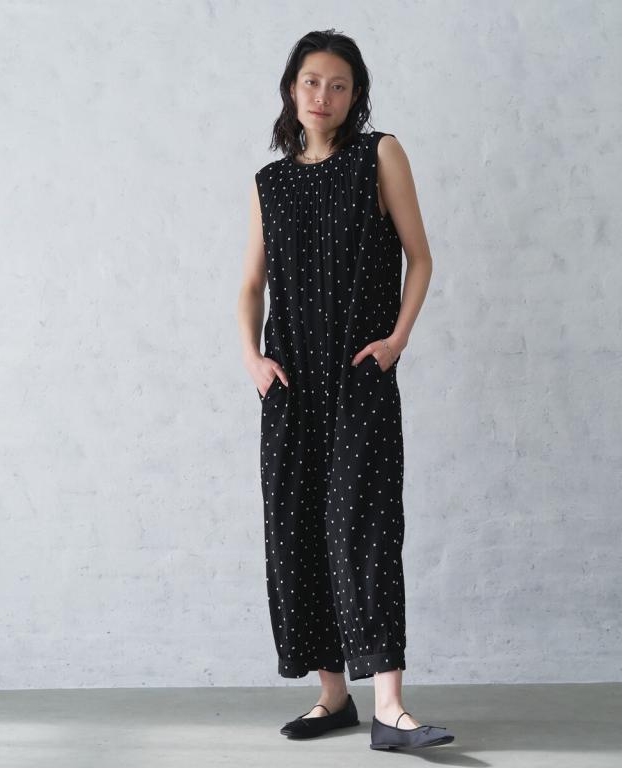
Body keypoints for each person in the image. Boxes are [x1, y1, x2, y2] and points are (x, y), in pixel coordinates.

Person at [237, 29, 455, 751]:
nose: (322, 96)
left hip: (360, 374)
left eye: (338, 84)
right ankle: (333, 697)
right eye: (311, 82)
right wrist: (253, 359)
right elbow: (250, 284)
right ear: (290, 89)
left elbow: (420, 257)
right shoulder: (269, 183)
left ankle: (390, 708)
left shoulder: (379, 155)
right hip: (291, 381)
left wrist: (396, 342)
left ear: (355, 94)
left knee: (365, 527)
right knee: (297, 529)